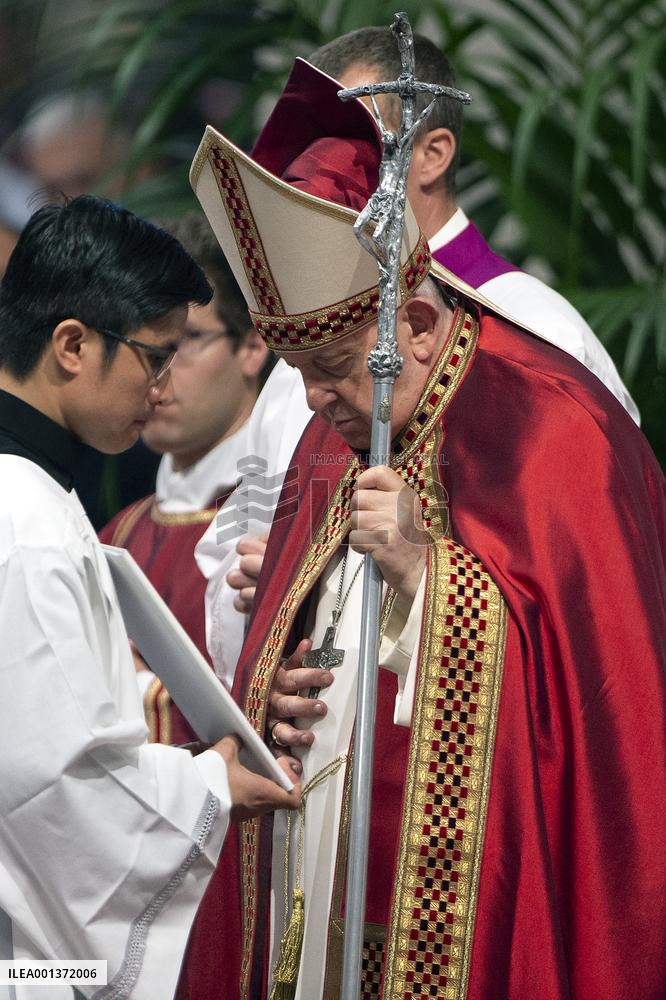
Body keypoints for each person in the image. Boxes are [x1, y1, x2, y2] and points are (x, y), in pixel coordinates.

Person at [180, 60, 665, 1000]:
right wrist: (274, 684)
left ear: (414, 321)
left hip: (486, 880)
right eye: (297, 370)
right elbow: (291, 620)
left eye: (332, 368)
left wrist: (425, 570)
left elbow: (607, 689)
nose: (313, 400)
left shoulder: (556, 420)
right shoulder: (343, 421)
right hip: (323, 864)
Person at [0, 195, 299, 1000]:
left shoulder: (35, 499)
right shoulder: (22, 519)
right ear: (71, 345)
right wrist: (210, 787)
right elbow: (51, 789)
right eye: (152, 356)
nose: (162, 385)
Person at [309, 27, 640, 423]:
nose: (319, 177)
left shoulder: (538, 334)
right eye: (310, 154)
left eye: (350, 144)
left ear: (432, 155)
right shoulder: (309, 347)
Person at [99, 212, 272, 743]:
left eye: (186, 341)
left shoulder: (276, 525)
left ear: (253, 346)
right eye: (148, 347)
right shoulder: (115, 536)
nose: (157, 373)